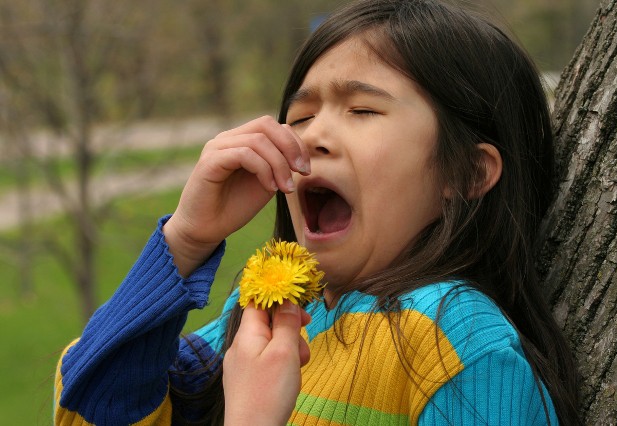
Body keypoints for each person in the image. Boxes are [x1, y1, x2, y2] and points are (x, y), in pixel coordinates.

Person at [54, 0, 580, 424]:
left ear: (465, 173)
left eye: (363, 110)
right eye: (300, 116)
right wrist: (187, 240)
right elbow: (97, 409)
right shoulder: (269, 313)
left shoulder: (458, 345)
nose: (312, 138)